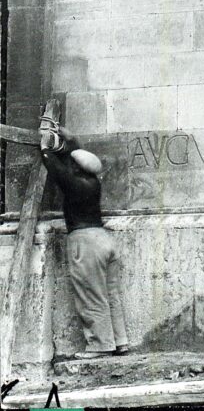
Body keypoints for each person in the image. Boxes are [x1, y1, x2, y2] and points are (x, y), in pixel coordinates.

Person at [38, 119, 128, 359]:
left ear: (76, 167)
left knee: (90, 295)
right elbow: (75, 151)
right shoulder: (93, 183)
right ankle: (119, 341)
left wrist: (45, 148)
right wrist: (69, 137)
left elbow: (56, 169)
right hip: (104, 239)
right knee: (110, 295)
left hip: (86, 242)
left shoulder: (74, 184)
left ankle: (100, 346)